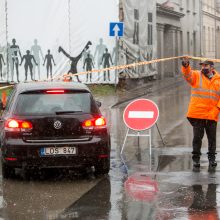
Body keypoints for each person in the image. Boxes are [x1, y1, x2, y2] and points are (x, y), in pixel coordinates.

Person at [182, 57, 220, 171]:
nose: (203, 67)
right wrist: (185, 65)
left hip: (212, 115)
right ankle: (196, 159)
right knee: (197, 138)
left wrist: (217, 109)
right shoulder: (196, 75)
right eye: (202, 65)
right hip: (198, 114)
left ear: (212, 67)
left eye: (205, 66)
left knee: (212, 139)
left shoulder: (218, 80)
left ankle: (212, 158)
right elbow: (187, 75)